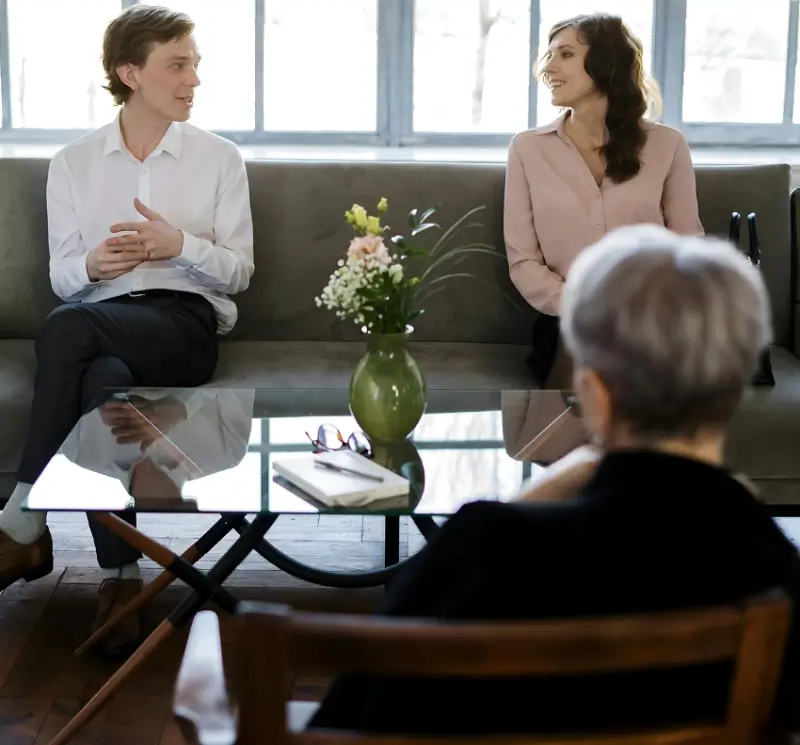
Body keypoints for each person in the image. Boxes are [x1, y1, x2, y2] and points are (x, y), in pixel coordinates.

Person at [301, 225, 800, 736]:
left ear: (595, 393)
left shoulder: (485, 547)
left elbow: (347, 718)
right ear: (736, 389)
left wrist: (531, 495)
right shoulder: (774, 570)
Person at [0, 4, 254, 656]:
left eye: (195, 64)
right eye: (178, 64)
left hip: (184, 325)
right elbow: (64, 274)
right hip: (101, 319)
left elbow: (238, 272)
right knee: (103, 381)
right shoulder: (75, 163)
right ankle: (120, 578)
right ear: (129, 72)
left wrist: (179, 245)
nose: (193, 78)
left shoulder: (219, 158)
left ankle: (23, 509)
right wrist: (93, 263)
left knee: (67, 328)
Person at [504, 13, 704, 390]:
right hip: (567, 322)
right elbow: (523, 261)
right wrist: (584, 306)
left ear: (607, 63)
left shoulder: (668, 145)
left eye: (564, 55)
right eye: (548, 56)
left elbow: (688, 250)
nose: (548, 68)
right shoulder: (527, 149)